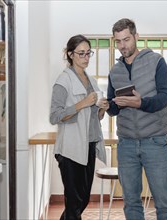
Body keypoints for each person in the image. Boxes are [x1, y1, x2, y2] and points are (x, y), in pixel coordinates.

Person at [106, 18, 167, 220]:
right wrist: (107, 106)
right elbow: (114, 109)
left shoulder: (156, 61)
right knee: (131, 203)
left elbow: (165, 97)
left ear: (136, 37)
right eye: (118, 41)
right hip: (126, 144)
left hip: (155, 142)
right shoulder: (115, 71)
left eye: (126, 39)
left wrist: (140, 103)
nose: (122, 46)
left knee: (163, 202)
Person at [50, 34, 109, 220]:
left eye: (88, 53)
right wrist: (82, 103)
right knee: (75, 202)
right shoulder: (63, 81)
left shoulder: (92, 81)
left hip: (89, 145)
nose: (86, 58)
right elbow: (55, 116)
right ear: (70, 54)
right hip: (70, 149)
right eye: (81, 53)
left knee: (82, 200)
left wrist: (102, 109)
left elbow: (94, 118)